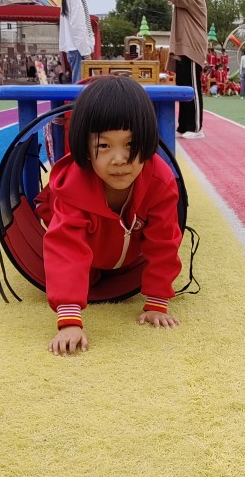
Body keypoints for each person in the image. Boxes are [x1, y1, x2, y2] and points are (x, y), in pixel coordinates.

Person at [36, 77, 182, 356]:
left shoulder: (159, 181)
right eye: (104, 146)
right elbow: (65, 247)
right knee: (76, 268)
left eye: (131, 144)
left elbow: (165, 240)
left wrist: (157, 301)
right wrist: (69, 321)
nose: (120, 159)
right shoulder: (74, 186)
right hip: (91, 246)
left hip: (124, 252)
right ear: (85, 148)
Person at [138, 0, 208, 138]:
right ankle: (184, 126)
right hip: (185, 47)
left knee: (192, 87)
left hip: (192, 46)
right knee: (183, 86)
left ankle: (196, 128)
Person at [59, 0, 94, 86]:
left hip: (76, 49)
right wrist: (86, 53)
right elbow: (78, 25)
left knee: (81, 88)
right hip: (79, 50)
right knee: (81, 89)